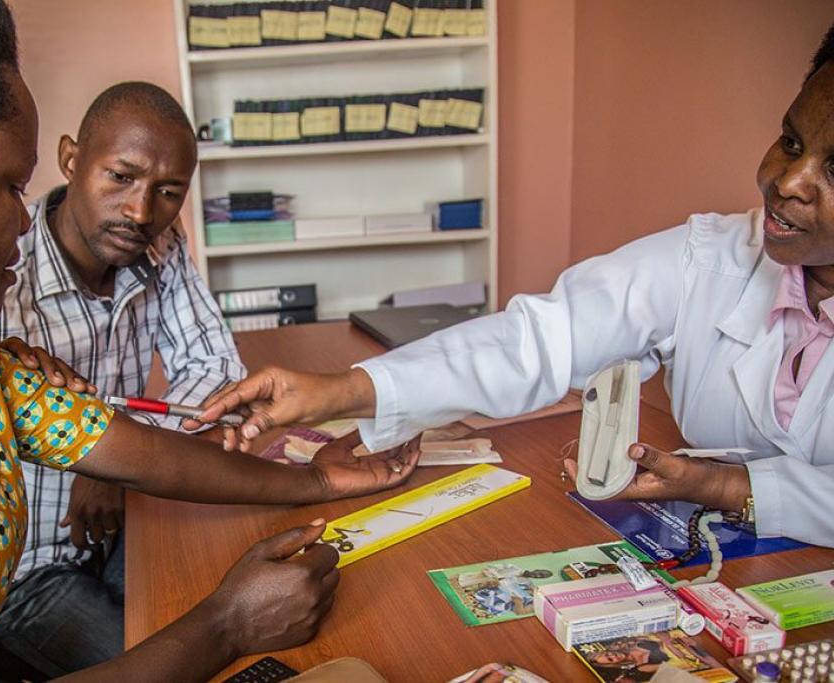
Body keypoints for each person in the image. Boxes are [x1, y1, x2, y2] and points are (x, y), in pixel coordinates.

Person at [0, 2, 420, 681]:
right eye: (11, 185)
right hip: (42, 578)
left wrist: (315, 478)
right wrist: (225, 620)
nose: (22, 218)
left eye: (165, 190)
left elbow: (148, 455)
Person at [195, 23, 834, 549]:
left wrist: (721, 486)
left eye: (833, 171)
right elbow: (541, 338)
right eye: (790, 141)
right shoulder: (715, 254)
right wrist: (343, 391)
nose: (788, 182)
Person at [0, 81, 245, 677]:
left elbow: (216, 368)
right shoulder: (0, 266)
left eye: (168, 192)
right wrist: (100, 454)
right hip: (28, 568)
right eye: (120, 177)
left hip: (132, 518)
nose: (140, 211)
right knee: (189, 665)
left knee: (238, 617)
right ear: (71, 159)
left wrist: (118, 458)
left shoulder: (158, 244)